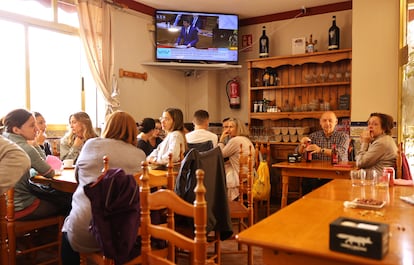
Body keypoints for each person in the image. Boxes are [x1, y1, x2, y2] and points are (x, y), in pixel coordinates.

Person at [61, 111, 146, 265]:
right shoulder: (139, 155)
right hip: (120, 234)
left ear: (107, 127)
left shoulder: (90, 144)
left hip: (84, 231)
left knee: (69, 225)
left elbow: (78, 177)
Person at [2, 109, 71, 220]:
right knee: (70, 202)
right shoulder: (25, 148)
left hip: (4, 208)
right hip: (22, 207)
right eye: (32, 125)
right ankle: (59, 236)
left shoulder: (4, 142)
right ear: (16, 129)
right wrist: (36, 144)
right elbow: (49, 172)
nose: (37, 129)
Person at [295, 111, 350, 194]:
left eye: (330, 120)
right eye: (324, 120)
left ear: (336, 122)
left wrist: (320, 150)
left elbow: (340, 153)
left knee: (329, 185)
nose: (327, 123)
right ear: (320, 123)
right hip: (317, 173)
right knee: (306, 181)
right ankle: (306, 205)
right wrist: (302, 145)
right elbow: (297, 153)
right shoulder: (313, 136)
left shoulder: (343, 136)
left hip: (337, 172)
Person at [218, 117, 255, 200]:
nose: (228, 130)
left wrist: (221, 140)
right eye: (227, 127)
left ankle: (223, 204)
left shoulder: (235, 140)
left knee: (217, 175)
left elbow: (221, 154)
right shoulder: (246, 139)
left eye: (231, 127)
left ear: (238, 128)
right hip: (249, 174)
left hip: (239, 176)